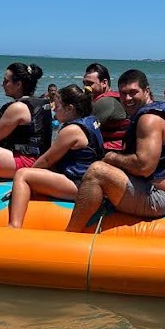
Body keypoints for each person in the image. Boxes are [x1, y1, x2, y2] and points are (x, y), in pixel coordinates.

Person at [66, 69, 165, 231]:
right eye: (123, 94)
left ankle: (71, 234)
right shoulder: (155, 111)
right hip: (155, 190)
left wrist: (112, 158)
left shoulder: (149, 119)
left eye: (133, 93)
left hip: (159, 198)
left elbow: (144, 167)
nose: (127, 98)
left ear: (147, 91)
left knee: (97, 170)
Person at [8, 85, 104, 228]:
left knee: (22, 174)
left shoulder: (72, 130)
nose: (54, 109)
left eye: (57, 106)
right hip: (90, 183)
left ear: (70, 108)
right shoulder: (91, 120)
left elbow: (46, 160)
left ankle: (14, 226)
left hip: (79, 186)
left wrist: (30, 176)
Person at [0, 62, 52, 178]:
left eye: (6, 81)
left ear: (18, 84)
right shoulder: (41, 103)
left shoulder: (18, 107)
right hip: (39, 161)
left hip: (25, 163)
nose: (2, 84)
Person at [82, 63, 130, 150]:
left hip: (112, 152)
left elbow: (85, 130)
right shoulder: (103, 99)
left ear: (104, 83)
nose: (86, 88)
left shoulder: (106, 101)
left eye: (90, 84)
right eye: (84, 83)